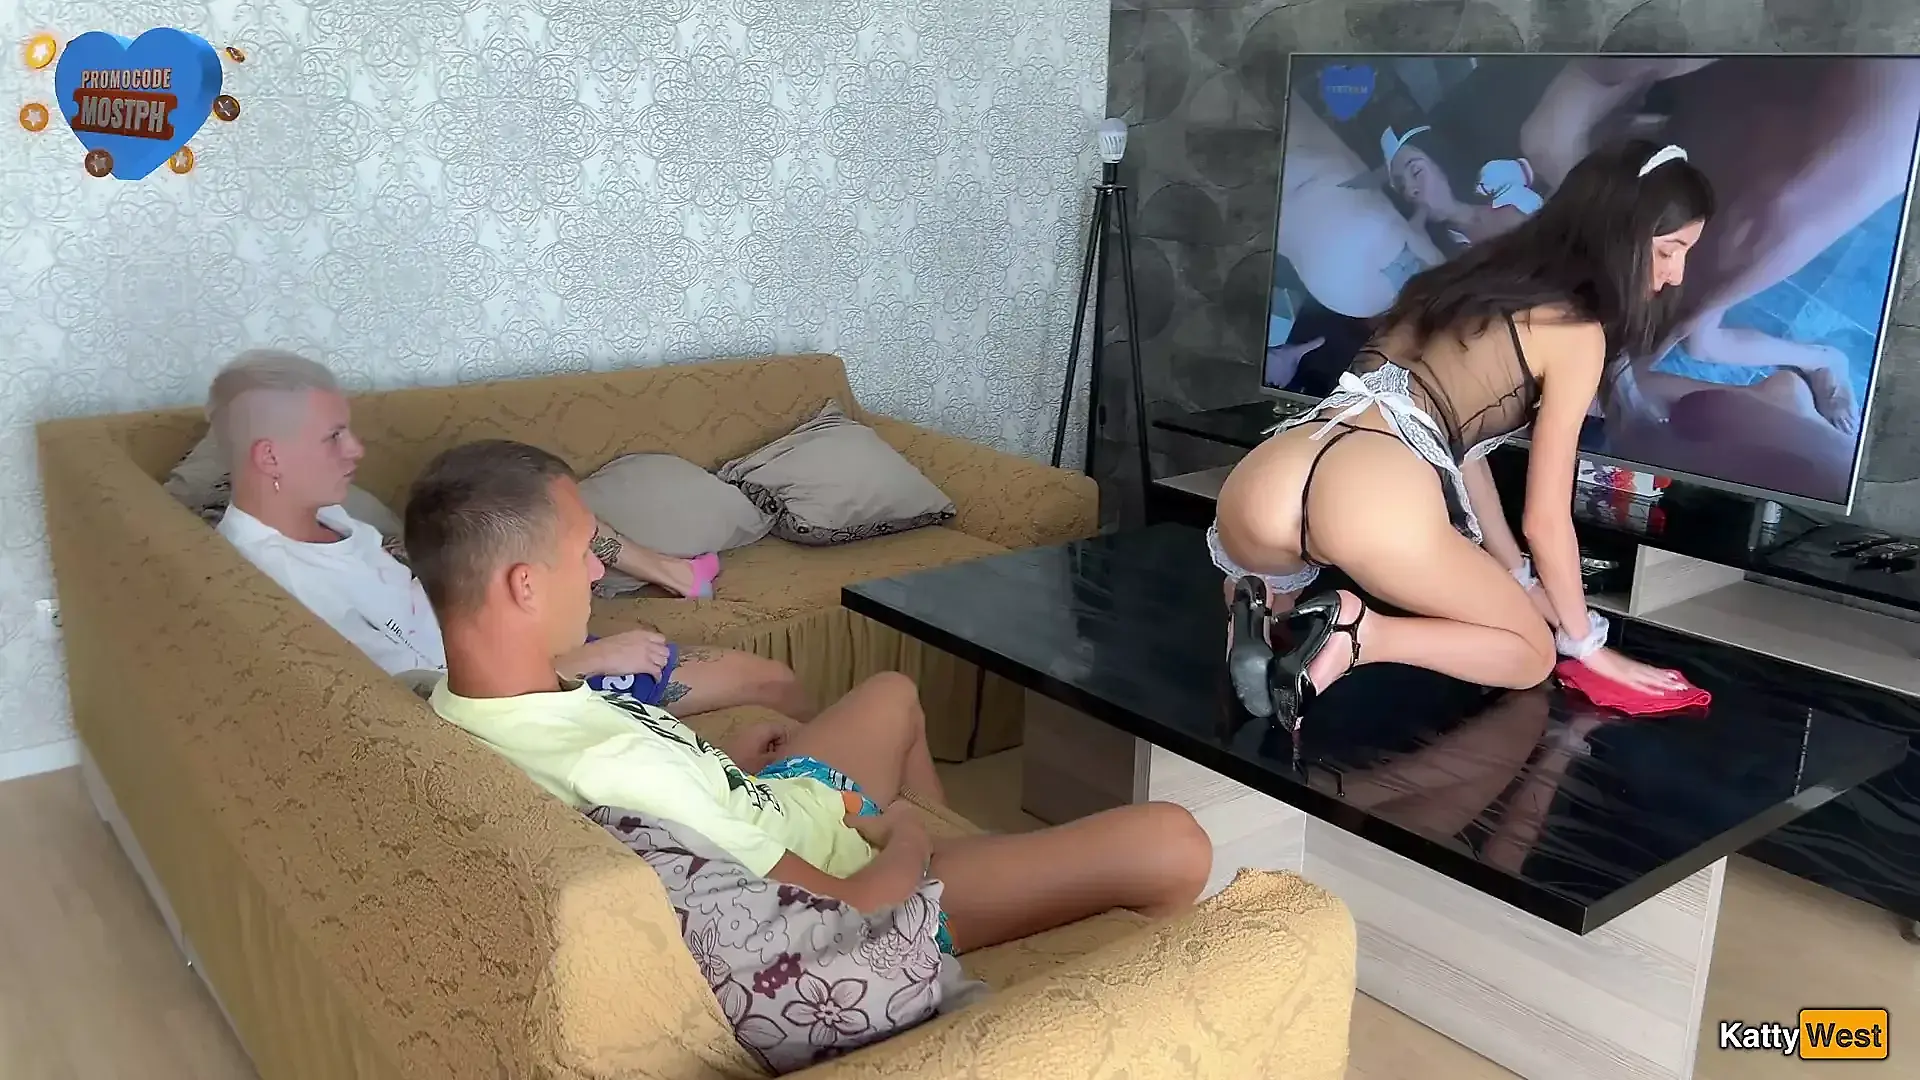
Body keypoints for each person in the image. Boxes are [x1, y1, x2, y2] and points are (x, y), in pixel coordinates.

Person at [407, 438, 1211, 953]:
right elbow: (849, 909)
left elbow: (649, 786)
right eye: (588, 552)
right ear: (523, 586)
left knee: (892, 694)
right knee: (1176, 843)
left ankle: (985, 867)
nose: (596, 572)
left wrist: (717, 765)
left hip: (774, 807)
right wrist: (907, 836)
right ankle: (967, 899)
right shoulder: (612, 767)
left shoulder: (458, 700)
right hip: (860, 886)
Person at [1211, 140, 1711, 728]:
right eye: (1669, 250)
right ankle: (1356, 633)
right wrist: (1587, 643)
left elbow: (1459, 451)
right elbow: (1545, 520)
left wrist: (1517, 579)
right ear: (1618, 234)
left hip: (1273, 470)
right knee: (1530, 654)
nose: (1676, 274)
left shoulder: (1452, 284)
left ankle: (1259, 617)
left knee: (1266, 679)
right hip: (1370, 492)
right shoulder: (1577, 333)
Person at [206, 349, 811, 719]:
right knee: (771, 680)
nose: (356, 450)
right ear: (270, 457)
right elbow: (426, 706)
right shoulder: (273, 585)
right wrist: (584, 660)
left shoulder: (327, 516)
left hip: (523, 643)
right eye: (333, 437)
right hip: (520, 692)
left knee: (519, 494)